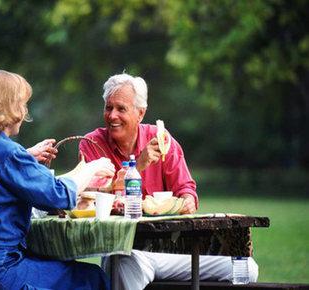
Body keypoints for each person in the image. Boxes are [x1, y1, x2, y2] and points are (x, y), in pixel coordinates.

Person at [78, 73, 259, 290]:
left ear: (141, 113)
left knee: (247, 268)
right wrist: (140, 165)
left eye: (121, 108)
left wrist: (187, 201)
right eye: (108, 108)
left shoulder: (162, 141)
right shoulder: (92, 144)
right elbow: (94, 196)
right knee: (122, 265)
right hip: (125, 250)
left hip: (168, 252)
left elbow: (187, 191)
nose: (112, 115)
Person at [0, 69, 115, 290]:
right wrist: (93, 166)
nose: (25, 111)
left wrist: (26, 157)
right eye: (22, 103)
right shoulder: (8, 153)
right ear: (8, 106)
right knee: (92, 278)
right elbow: (58, 195)